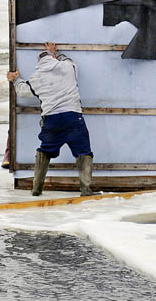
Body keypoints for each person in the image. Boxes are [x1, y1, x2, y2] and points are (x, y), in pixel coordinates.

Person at [6, 42, 94, 196]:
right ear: (53, 58)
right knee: (83, 151)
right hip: (73, 117)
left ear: (38, 63)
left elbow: (22, 91)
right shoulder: (67, 68)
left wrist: (15, 79)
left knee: (45, 150)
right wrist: (55, 52)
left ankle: (36, 189)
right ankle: (86, 190)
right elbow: (71, 62)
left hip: (52, 120)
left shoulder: (36, 78)